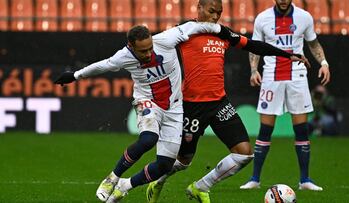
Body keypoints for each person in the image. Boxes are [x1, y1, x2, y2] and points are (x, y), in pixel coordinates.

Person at [146, 0, 310, 202]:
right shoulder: (184, 31)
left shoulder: (223, 33)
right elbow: (154, 48)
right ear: (199, 8)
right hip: (192, 106)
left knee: (244, 154)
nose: (215, 16)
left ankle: (201, 186)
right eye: (211, 11)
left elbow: (253, 45)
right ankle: (158, 181)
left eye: (219, 12)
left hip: (219, 103)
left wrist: (287, 55)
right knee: (184, 160)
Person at [53, 21, 228, 203]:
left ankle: (125, 185)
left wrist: (220, 30)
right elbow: (104, 65)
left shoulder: (167, 39)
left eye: (150, 48)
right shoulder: (124, 56)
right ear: (131, 46)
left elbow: (194, 26)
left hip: (175, 108)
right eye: (142, 51)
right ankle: (112, 178)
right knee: (148, 139)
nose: (148, 54)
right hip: (148, 102)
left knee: (164, 165)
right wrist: (75, 76)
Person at [239, 0, 330, 191]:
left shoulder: (304, 17)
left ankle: (305, 180)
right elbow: (255, 46)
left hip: (297, 77)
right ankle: (254, 179)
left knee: (301, 130)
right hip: (271, 77)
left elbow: (313, 43)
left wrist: (324, 64)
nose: (282, 0)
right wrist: (254, 69)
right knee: (265, 130)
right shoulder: (262, 18)